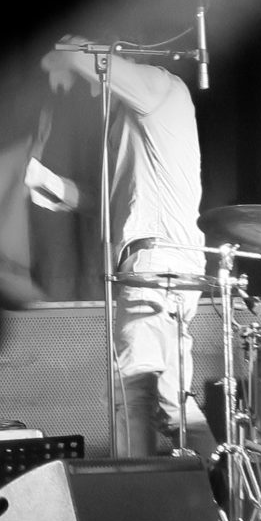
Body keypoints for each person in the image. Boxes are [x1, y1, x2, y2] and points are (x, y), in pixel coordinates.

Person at [39, 39, 206, 457]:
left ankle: (137, 495)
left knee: (132, 396)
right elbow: (116, 205)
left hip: (155, 267)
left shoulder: (160, 88)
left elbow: (81, 53)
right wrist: (54, 186)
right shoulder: (134, 122)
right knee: (173, 406)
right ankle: (221, 487)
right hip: (167, 266)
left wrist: (60, 55)